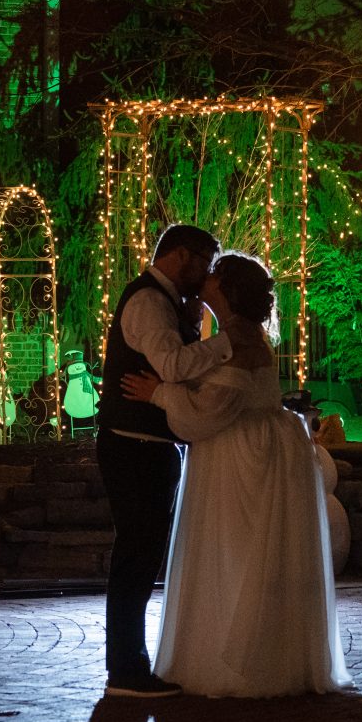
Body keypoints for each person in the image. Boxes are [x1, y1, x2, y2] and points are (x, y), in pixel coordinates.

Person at [118, 251, 350, 698]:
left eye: (214, 275)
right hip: (250, 449)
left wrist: (159, 394)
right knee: (239, 555)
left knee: (237, 554)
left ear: (226, 289)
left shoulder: (240, 339)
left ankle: (239, 662)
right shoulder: (232, 334)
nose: (204, 279)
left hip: (242, 456)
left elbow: (209, 412)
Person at [94, 222, 227, 697]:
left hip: (147, 446)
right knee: (135, 557)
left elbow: (172, 362)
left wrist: (192, 324)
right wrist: (227, 341)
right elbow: (171, 367)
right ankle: (125, 672)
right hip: (134, 447)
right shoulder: (149, 302)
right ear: (182, 256)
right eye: (205, 261)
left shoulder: (167, 303)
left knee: (142, 557)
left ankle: (130, 665)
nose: (207, 271)